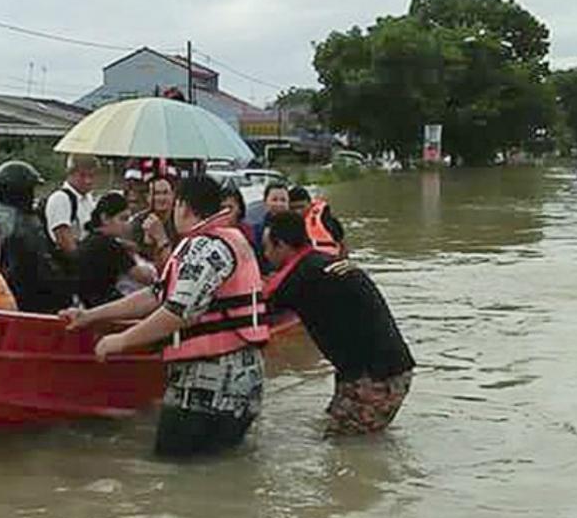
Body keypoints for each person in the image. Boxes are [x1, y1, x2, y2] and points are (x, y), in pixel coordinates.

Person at [62, 176, 268, 458]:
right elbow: (156, 295)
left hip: (209, 382)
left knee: (173, 470)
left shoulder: (204, 247)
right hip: (239, 380)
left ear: (182, 206)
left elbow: (178, 311)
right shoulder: (228, 238)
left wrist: (121, 341)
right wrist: (90, 316)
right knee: (215, 470)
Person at [261, 211, 415, 436]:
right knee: (334, 431)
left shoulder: (300, 277)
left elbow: (251, 311)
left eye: (267, 247)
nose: (264, 255)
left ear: (282, 245)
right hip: (382, 370)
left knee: (347, 450)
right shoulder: (319, 263)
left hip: (375, 378)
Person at [0, 160, 77, 314]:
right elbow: (39, 269)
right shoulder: (24, 225)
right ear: (21, 192)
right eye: (31, 190)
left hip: (2, 292)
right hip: (29, 301)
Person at [77, 192, 157, 308]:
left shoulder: (90, 239)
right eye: (123, 219)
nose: (127, 225)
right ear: (105, 218)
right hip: (104, 307)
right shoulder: (109, 245)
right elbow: (146, 278)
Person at [45, 154, 98, 257]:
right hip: (69, 264)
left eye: (91, 176)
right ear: (70, 174)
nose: (88, 181)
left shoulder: (89, 200)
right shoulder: (60, 199)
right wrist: (83, 263)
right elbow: (63, 239)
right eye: (82, 175)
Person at [132, 174, 179, 270]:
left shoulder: (181, 220)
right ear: (148, 197)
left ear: (173, 195)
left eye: (165, 193)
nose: (161, 198)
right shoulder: (137, 222)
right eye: (157, 193)